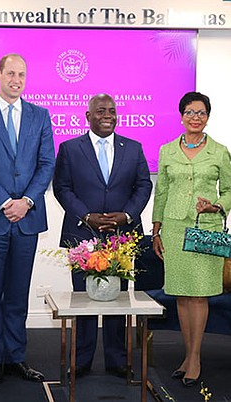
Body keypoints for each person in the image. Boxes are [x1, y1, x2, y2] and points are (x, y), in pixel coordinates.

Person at [0, 53, 54, 385]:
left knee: (18, 293)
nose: (16, 79)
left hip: (27, 220)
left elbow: (47, 164)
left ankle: (16, 357)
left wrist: (26, 201)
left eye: (22, 75)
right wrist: (5, 202)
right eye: (11, 73)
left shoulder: (40, 116)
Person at [53, 94, 152, 378]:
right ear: (88, 116)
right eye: (100, 111)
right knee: (83, 299)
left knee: (118, 299)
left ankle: (117, 360)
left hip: (122, 233)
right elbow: (62, 188)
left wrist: (127, 216)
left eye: (111, 110)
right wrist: (87, 216)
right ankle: (81, 361)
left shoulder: (133, 148)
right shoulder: (70, 148)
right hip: (83, 234)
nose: (107, 115)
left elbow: (143, 186)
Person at [152, 91, 231, 387]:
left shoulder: (220, 151)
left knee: (199, 295)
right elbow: (160, 192)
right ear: (181, 115)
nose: (195, 118)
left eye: (200, 113)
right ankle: (187, 355)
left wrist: (217, 205)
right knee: (183, 295)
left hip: (205, 230)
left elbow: (229, 190)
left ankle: (195, 358)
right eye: (189, 112)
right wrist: (156, 230)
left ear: (208, 117)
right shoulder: (167, 150)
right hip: (173, 229)